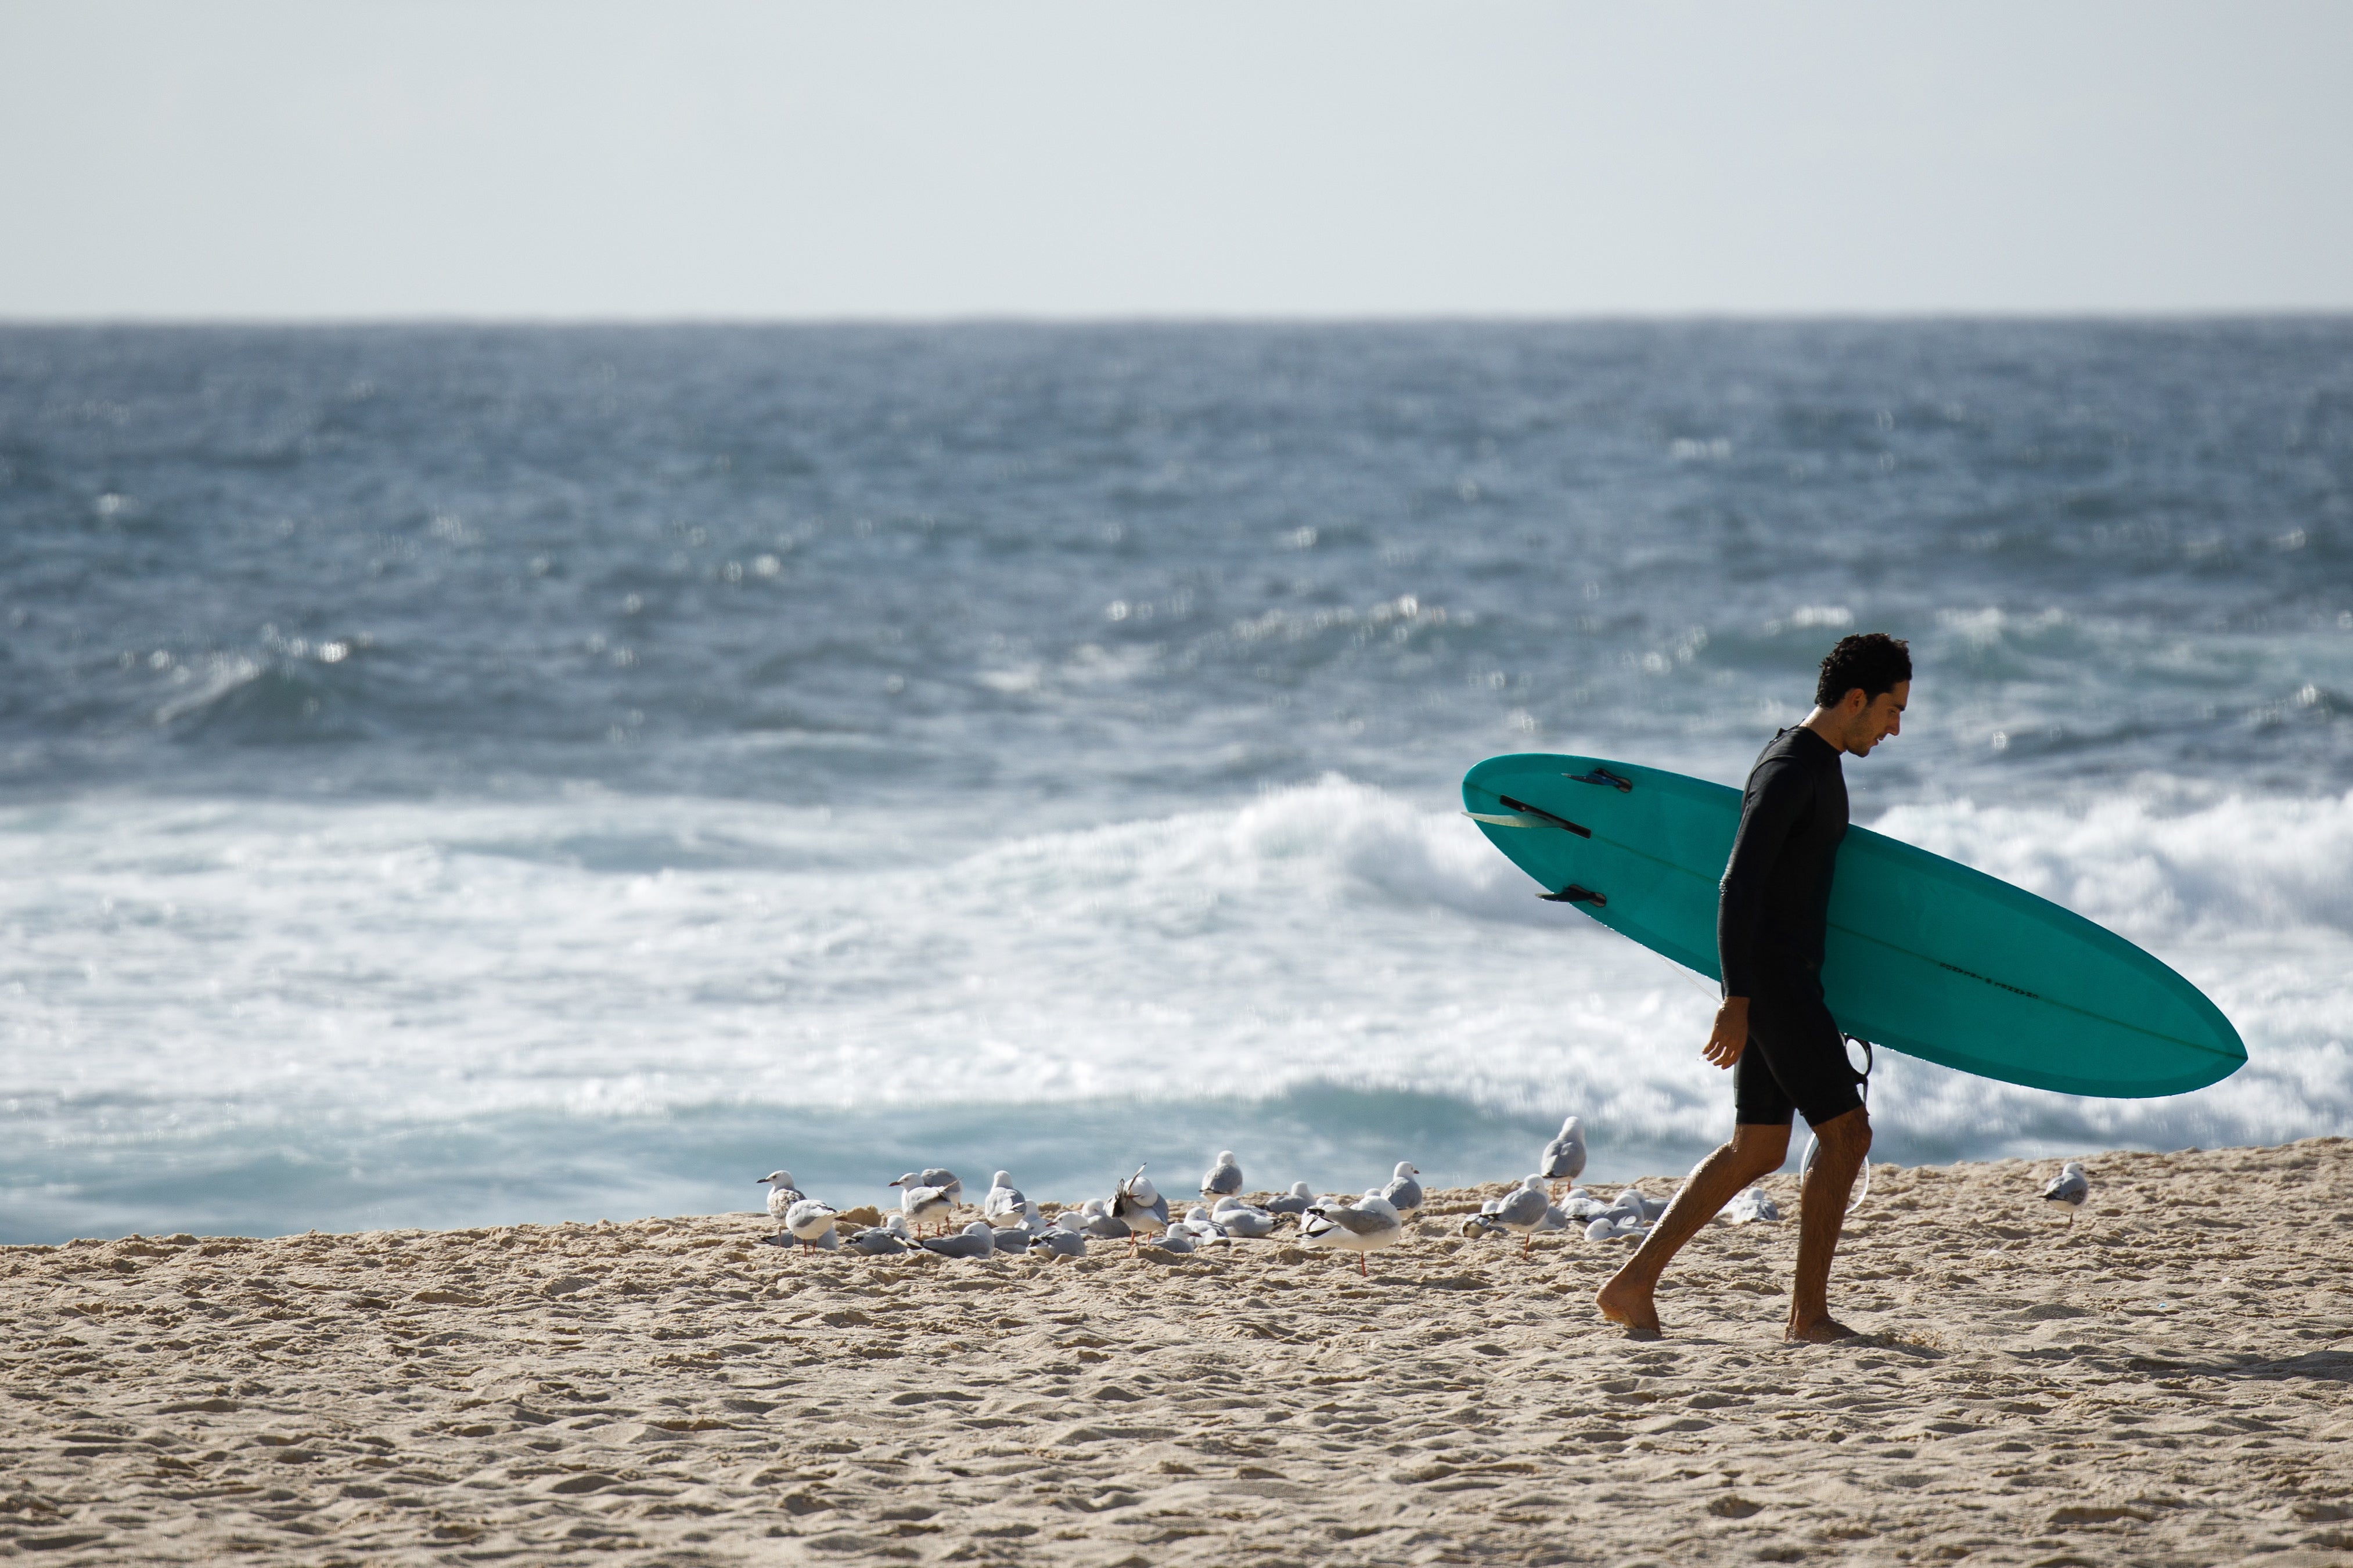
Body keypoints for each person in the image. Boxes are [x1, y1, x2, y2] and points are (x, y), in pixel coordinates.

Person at [1596, 632, 1910, 1342]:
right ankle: (1808, 1316)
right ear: (1854, 699)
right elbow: (1738, 884)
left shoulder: (1811, 762)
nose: (1894, 727)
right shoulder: (1791, 768)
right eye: (1890, 710)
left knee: (1759, 1147)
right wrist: (1737, 1000)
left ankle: (1631, 1284)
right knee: (1846, 1132)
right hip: (1771, 980)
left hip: (1783, 977)